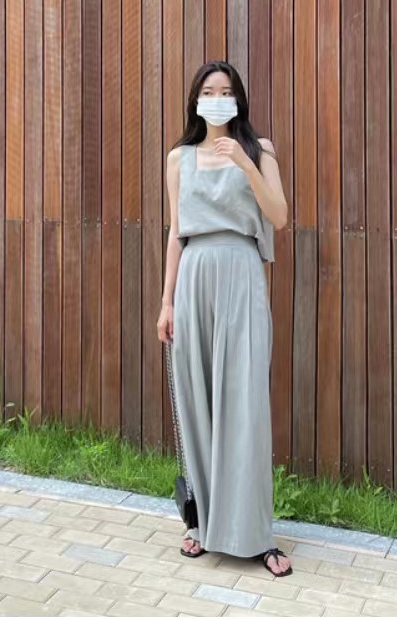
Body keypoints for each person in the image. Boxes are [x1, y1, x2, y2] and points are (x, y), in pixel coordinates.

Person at [156, 61, 293, 577]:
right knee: (199, 401)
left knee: (246, 404)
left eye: (226, 91)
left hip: (242, 273)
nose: (217, 99)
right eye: (209, 92)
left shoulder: (259, 149)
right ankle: (203, 525)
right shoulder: (179, 158)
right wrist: (166, 301)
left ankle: (257, 535)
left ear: (239, 99)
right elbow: (176, 233)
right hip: (194, 277)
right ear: (196, 100)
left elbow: (279, 216)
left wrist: (244, 162)